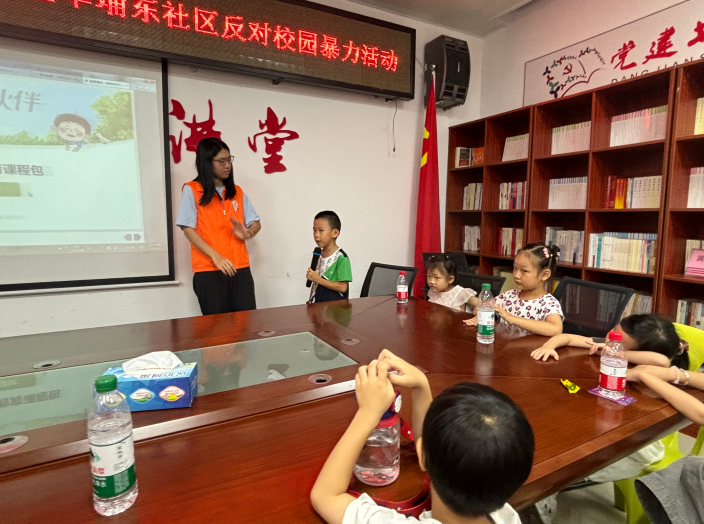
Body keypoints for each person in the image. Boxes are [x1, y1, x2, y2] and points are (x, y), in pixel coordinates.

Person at [310, 349, 534, 524]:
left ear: (421, 455)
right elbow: (443, 449)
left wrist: (368, 413)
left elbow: (326, 497)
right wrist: (420, 386)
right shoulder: (506, 515)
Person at [175, 137, 261, 315]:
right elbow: (188, 229)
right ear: (207, 162)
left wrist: (248, 233)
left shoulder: (236, 191)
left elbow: (255, 222)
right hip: (209, 271)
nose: (227, 165)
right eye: (221, 161)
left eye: (229, 159)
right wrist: (216, 257)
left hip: (240, 269)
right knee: (217, 329)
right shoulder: (192, 190)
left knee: (247, 325)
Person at [530, 314, 702, 370]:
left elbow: (661, 361)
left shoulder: (658, 364)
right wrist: (548, 346)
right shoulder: (606, 343)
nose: (609, 337)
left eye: (617, 339)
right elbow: (568, 337)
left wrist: (615, 352)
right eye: (614, 329)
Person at [464, 243, 563, 336]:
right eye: (515, 268)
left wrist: (512, 319)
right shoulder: (509, 296)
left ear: (544, 275)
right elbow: (478, 308)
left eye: (524, 271)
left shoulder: (549, 303)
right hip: (505, 345)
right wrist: (484, 315)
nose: (516, 275)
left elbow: (556, 329)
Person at [307, 211, 352, 304]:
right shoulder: (318, 254)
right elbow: (315, 285)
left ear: (335, 233)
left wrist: (317, 279)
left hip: (334, 309)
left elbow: (342, 287)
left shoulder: (341, 258)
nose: (316, 235)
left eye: (321, 230)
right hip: (317, 306)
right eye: (314, 230)